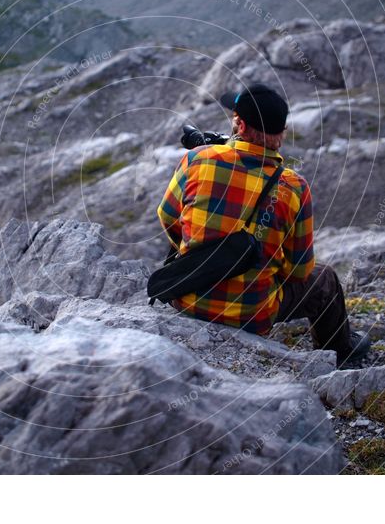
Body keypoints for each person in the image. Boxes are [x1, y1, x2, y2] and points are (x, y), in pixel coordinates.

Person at [157, 83, 370, 368]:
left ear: (240, 125)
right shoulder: (294, 187)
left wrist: (199, 251)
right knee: (325, 280)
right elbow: (299, 271)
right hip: (251, 315)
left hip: (186, 298)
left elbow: (167, 216)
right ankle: (340, 354)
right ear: (280, 134)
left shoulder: (197, 159)